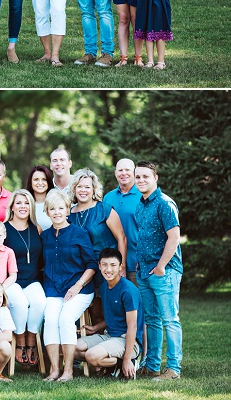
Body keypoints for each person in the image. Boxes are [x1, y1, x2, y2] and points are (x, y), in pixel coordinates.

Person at [134, 161, 183, 381]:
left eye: (146, 176)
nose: (141, 180)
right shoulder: (140, 204)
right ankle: (152, 365)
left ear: (156, 178)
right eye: (138, 177)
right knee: (151, 320)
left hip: (164, 271)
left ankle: (173, 369)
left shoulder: (165, 203)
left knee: (169, 319)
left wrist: (161, 266)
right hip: (144, 271)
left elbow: (174, 237)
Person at [41, 191, 97, 382]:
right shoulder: (45, 236)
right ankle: (55, 370)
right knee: (50, 319)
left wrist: (78, 285)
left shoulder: (80, 234)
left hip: (79, 289)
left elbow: (92, 265)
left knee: (65, 319)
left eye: (61, 208)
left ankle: (69, 371)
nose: (57, 212)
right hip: (53, 288)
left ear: (67, 210)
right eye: (52, 208)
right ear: (47, 212)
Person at [69, 168, 127, 324]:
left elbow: (121, 238)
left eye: (87, 187)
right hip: (84, 271)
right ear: (74, 189)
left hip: (107, 269)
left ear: (93, 189)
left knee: (113, 312)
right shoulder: (68, 215)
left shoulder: (104, 209)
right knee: (95, 315)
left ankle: (116, 345)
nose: (83, 190)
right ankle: (94, 344)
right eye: (79, 186)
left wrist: (121, 268)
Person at [75, 248, 144, 380]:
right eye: (105, 265)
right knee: (73, 348)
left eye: (113, 265)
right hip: (109, 336)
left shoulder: (128, 291)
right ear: (99, 266)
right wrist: (96, 328)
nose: (108, 269)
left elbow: (132, 327)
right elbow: (116, 315)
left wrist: (127, 359)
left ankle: (124, 363)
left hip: (126, 340)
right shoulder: (104, 287)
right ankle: (110, 364)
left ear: (120, 267)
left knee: (91, 355)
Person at [4, 189, 46, 367]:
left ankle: (31, 338)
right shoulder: (3, 228)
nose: (23, 206)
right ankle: (20, 340)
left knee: (40, 302)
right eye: (19, 203)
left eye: (27, 203)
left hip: (32, 280)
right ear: (12, 206)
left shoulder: (36, 228)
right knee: (20, 303)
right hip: (11, 280)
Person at [103, 159, 140, 284]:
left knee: (137, 302)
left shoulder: (142, 195)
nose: (123, 173)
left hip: (137, 263)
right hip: (112, 265)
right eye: (120, 170)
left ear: (134, 172)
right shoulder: (108, 198)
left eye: (127, 170)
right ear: (115, 173)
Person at [25, 164, 53, 230]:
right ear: (31, 183)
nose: (40, 183)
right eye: (36, 179)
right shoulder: (25, 205)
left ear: (48, 182)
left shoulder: (55, 203)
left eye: (44, 179)